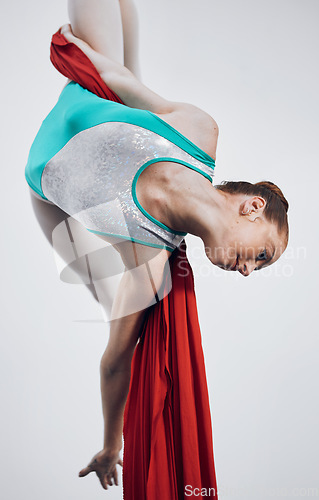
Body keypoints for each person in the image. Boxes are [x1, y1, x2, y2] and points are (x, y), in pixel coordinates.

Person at [25, 0, 289, 491]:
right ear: (252, 207)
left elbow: (115, 364)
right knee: (119, 37)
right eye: (262, 254)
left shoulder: (149, 268)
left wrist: (112, 445)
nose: (249, 270)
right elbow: (128, 87)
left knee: (116, 285)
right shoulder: (200, 132)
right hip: (94, 99)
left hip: (48, 176)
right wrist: (76, 55)